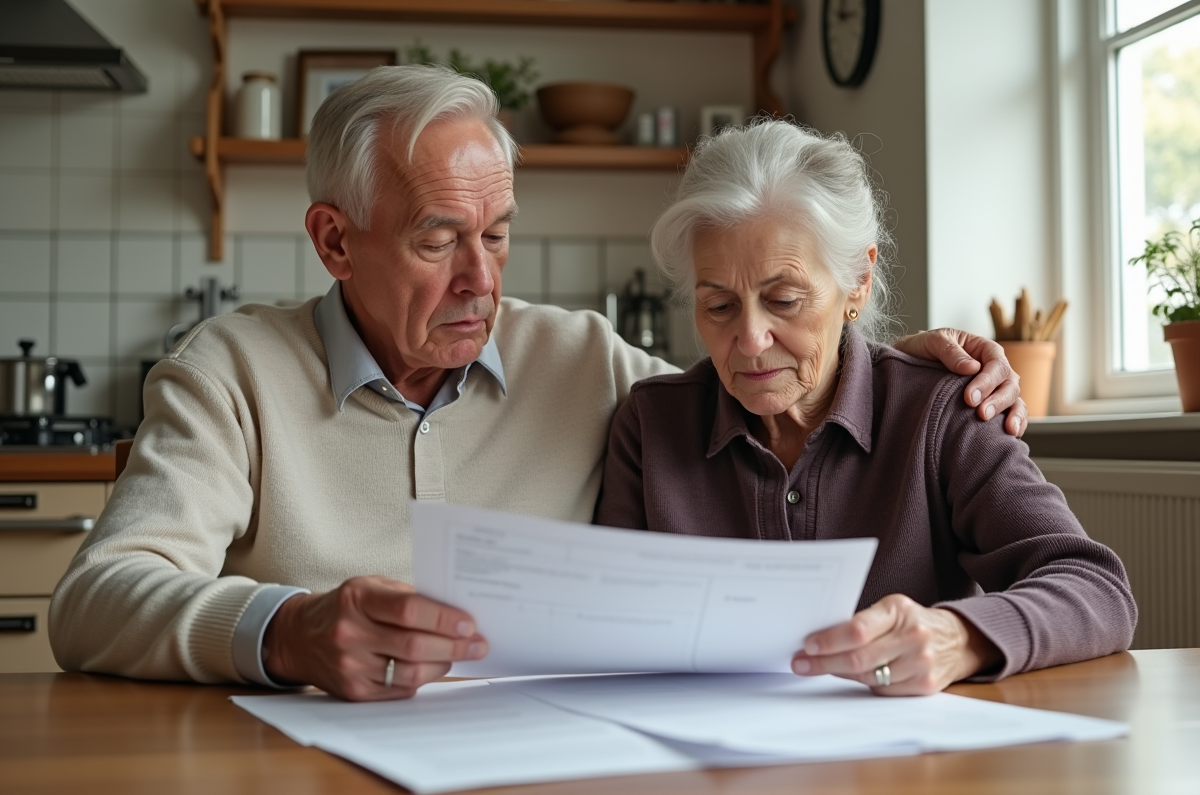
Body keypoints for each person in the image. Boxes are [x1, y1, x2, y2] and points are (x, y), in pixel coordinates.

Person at [50, 67, 1028, 702]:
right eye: (439, 239)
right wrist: (285, 630)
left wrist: (907, 357)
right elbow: (94, 599)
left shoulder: (586, 358)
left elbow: (764, 368)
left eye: (499, 233)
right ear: (335, 241)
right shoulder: (229, 371)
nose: (483, 279)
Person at [596, 120, 1137, 696]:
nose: (750, 339)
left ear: (858, 281)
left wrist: (959, 636)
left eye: (783, 299)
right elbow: (601, 619)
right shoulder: (652, 425)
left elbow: (1096, 587)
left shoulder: (938, 411)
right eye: (720, 306)